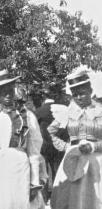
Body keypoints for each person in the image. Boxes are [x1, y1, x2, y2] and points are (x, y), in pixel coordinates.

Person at [0, 70, 43, 209]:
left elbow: (34, 151)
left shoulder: (26, 115)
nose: (8, 94)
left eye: (10, 90)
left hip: (19, 168)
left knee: (20, 203)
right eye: (3, 91)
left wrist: (34, 182)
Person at [48, 70, 102, 209]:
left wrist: (94, 146)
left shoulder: (99, 112)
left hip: (96, 162)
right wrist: (66, 147)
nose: (79, 97)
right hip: (73, 161)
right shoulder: (67, 112)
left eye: (82, 93)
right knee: (72, 197)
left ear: (91, 91)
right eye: (75, 94)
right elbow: (50, 132)